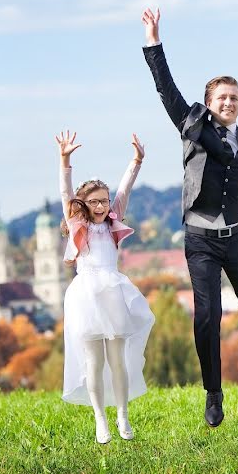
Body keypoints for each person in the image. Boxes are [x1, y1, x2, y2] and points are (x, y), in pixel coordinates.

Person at [140, 8, 238, 427]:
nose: (228, 103)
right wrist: (154, 42)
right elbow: (166, 89)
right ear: (209, 104)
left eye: (234, 98)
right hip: (201, 240)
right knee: (207, 315)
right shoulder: (191, 125)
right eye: (221, 98)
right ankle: (214, 393)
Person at [57, 130, 156, 443]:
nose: (100, 206)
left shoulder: (113, 222)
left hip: (113, 293)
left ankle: (122, 414)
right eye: (94, 201)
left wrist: (137, 160)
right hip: (86, 296)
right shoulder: (80, 225)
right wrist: (65, 161)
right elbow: (65, 194)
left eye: (104, 200)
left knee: (118, 360)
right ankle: (100, 418)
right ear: (83, 203)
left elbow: (125, 189)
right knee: (93, 363)